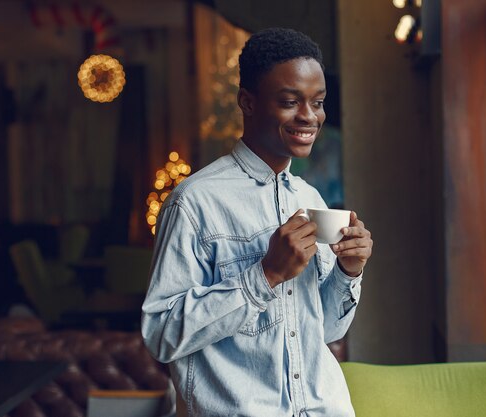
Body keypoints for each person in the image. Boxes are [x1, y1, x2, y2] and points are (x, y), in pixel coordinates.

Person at [141, 27, 373, 417]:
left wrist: (349, 272)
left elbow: (328, 331)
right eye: (289, 101)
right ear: (247, 102)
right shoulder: (195, 203)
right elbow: (161, 335)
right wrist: (264, 275)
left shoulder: (309, 199)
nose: (309, 116)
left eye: (317, 102)